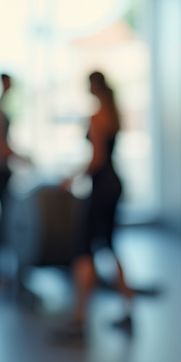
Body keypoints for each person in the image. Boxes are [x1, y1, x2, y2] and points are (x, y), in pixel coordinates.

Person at [54, 71, 133, 341]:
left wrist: (72, 176)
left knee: (83, 250)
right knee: (109, 246)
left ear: (95, 85)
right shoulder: (113, 113)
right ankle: (128, 310)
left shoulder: (97, 116)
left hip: (102, 187)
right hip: (114, 184)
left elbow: (97, 160)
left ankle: (79, 320)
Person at [0, 73, 27, 289]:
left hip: (4, 169)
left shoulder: (0, 109)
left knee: (5, 218)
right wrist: (20, 157)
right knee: (2, 219)